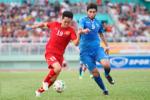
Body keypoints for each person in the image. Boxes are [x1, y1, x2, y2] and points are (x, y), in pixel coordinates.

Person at [29, 11, 81, 97]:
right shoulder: (54, 24)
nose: (67, 23)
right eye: (65, 21)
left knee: (53, 79)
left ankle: (38, 92)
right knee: (58, 68)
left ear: (71, 21)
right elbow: (44, 24)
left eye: (69, 22)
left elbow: (75, 43)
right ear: (62, 19)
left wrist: (79, 34)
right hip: (50, 52)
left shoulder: (71, 30)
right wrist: (35, 26)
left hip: (59, 56)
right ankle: (45, 81)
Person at [78, 3, 115, 95]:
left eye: (94, 12)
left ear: (96, 12)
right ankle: (105, 90)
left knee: (106, 65)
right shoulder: (82, 20)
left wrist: (107, 45)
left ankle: (107, 75)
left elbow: (101, 34)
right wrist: (83, 31)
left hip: (97, 49)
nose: (92, 13)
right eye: (90, 11)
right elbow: (79, 30)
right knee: (95, 73)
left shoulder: (98, 21)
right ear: (87, 12)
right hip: (85, 52)